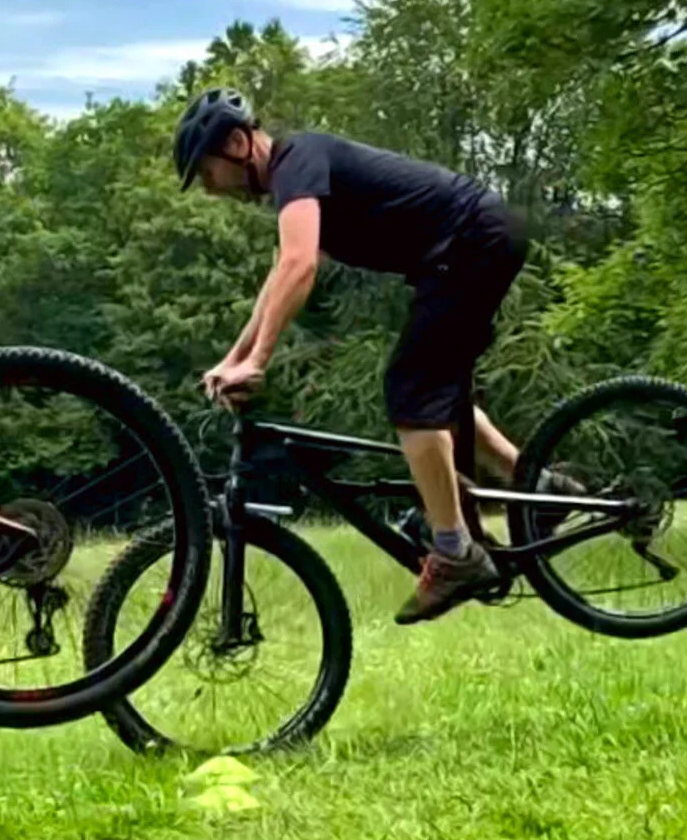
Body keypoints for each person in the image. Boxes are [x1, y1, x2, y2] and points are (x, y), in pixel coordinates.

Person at [173, 86, 535, 625]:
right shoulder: (294, 184)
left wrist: (259, 362)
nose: (208, 189)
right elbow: (280, 280)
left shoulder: (298, 161)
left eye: (205, 173)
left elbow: (300, 266)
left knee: (410, 393)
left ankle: (456, 552)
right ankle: (538, 482)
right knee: (437, 392)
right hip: (472, 243)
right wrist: (235, 356)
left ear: (235, 143)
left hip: (471, 240)